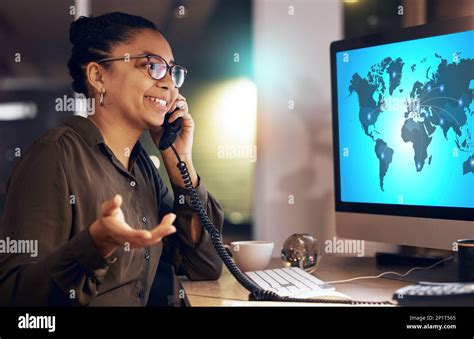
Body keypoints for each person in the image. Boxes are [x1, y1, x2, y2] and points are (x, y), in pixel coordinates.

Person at [0, 12, 224, 306]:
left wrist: (178, 158)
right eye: (152, 66)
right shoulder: (53, 156)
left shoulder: (142, 167)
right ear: (98, 76)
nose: (170, 84)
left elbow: (204, 266)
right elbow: (15, 296)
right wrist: (94, 246)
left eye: (173, 71)